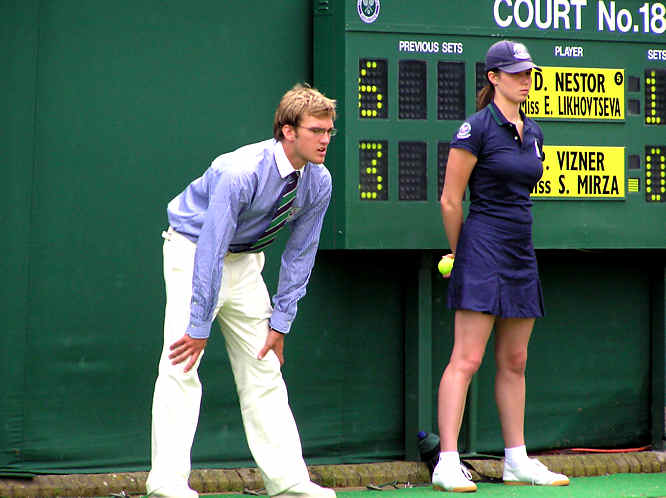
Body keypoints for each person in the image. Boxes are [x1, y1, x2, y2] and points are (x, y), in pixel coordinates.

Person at [146, 84, 338, 498]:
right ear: (289, 132)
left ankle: (289, 482)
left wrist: (281, 321)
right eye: (316, 131)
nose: (325, 139)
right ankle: (166, 481)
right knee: (181, 363)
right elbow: (211, 248)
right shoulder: (240, 172)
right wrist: (199, 325)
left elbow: (300, 254)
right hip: (193, 251)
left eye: (329, 131)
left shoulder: (318, 181)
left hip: (247, 262)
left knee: (265, 367)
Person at [433, 41, 570, 492]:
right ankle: (447, 462)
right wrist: (462, 250)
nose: (525, 80)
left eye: (528, 72)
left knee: (515, 358)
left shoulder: (533, 132)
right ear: (493, 78)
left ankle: (516, 459)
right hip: (482, 245)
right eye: (515, 73)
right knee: (467, 358)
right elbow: (452, 199)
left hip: (519, 249)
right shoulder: (475, 130)